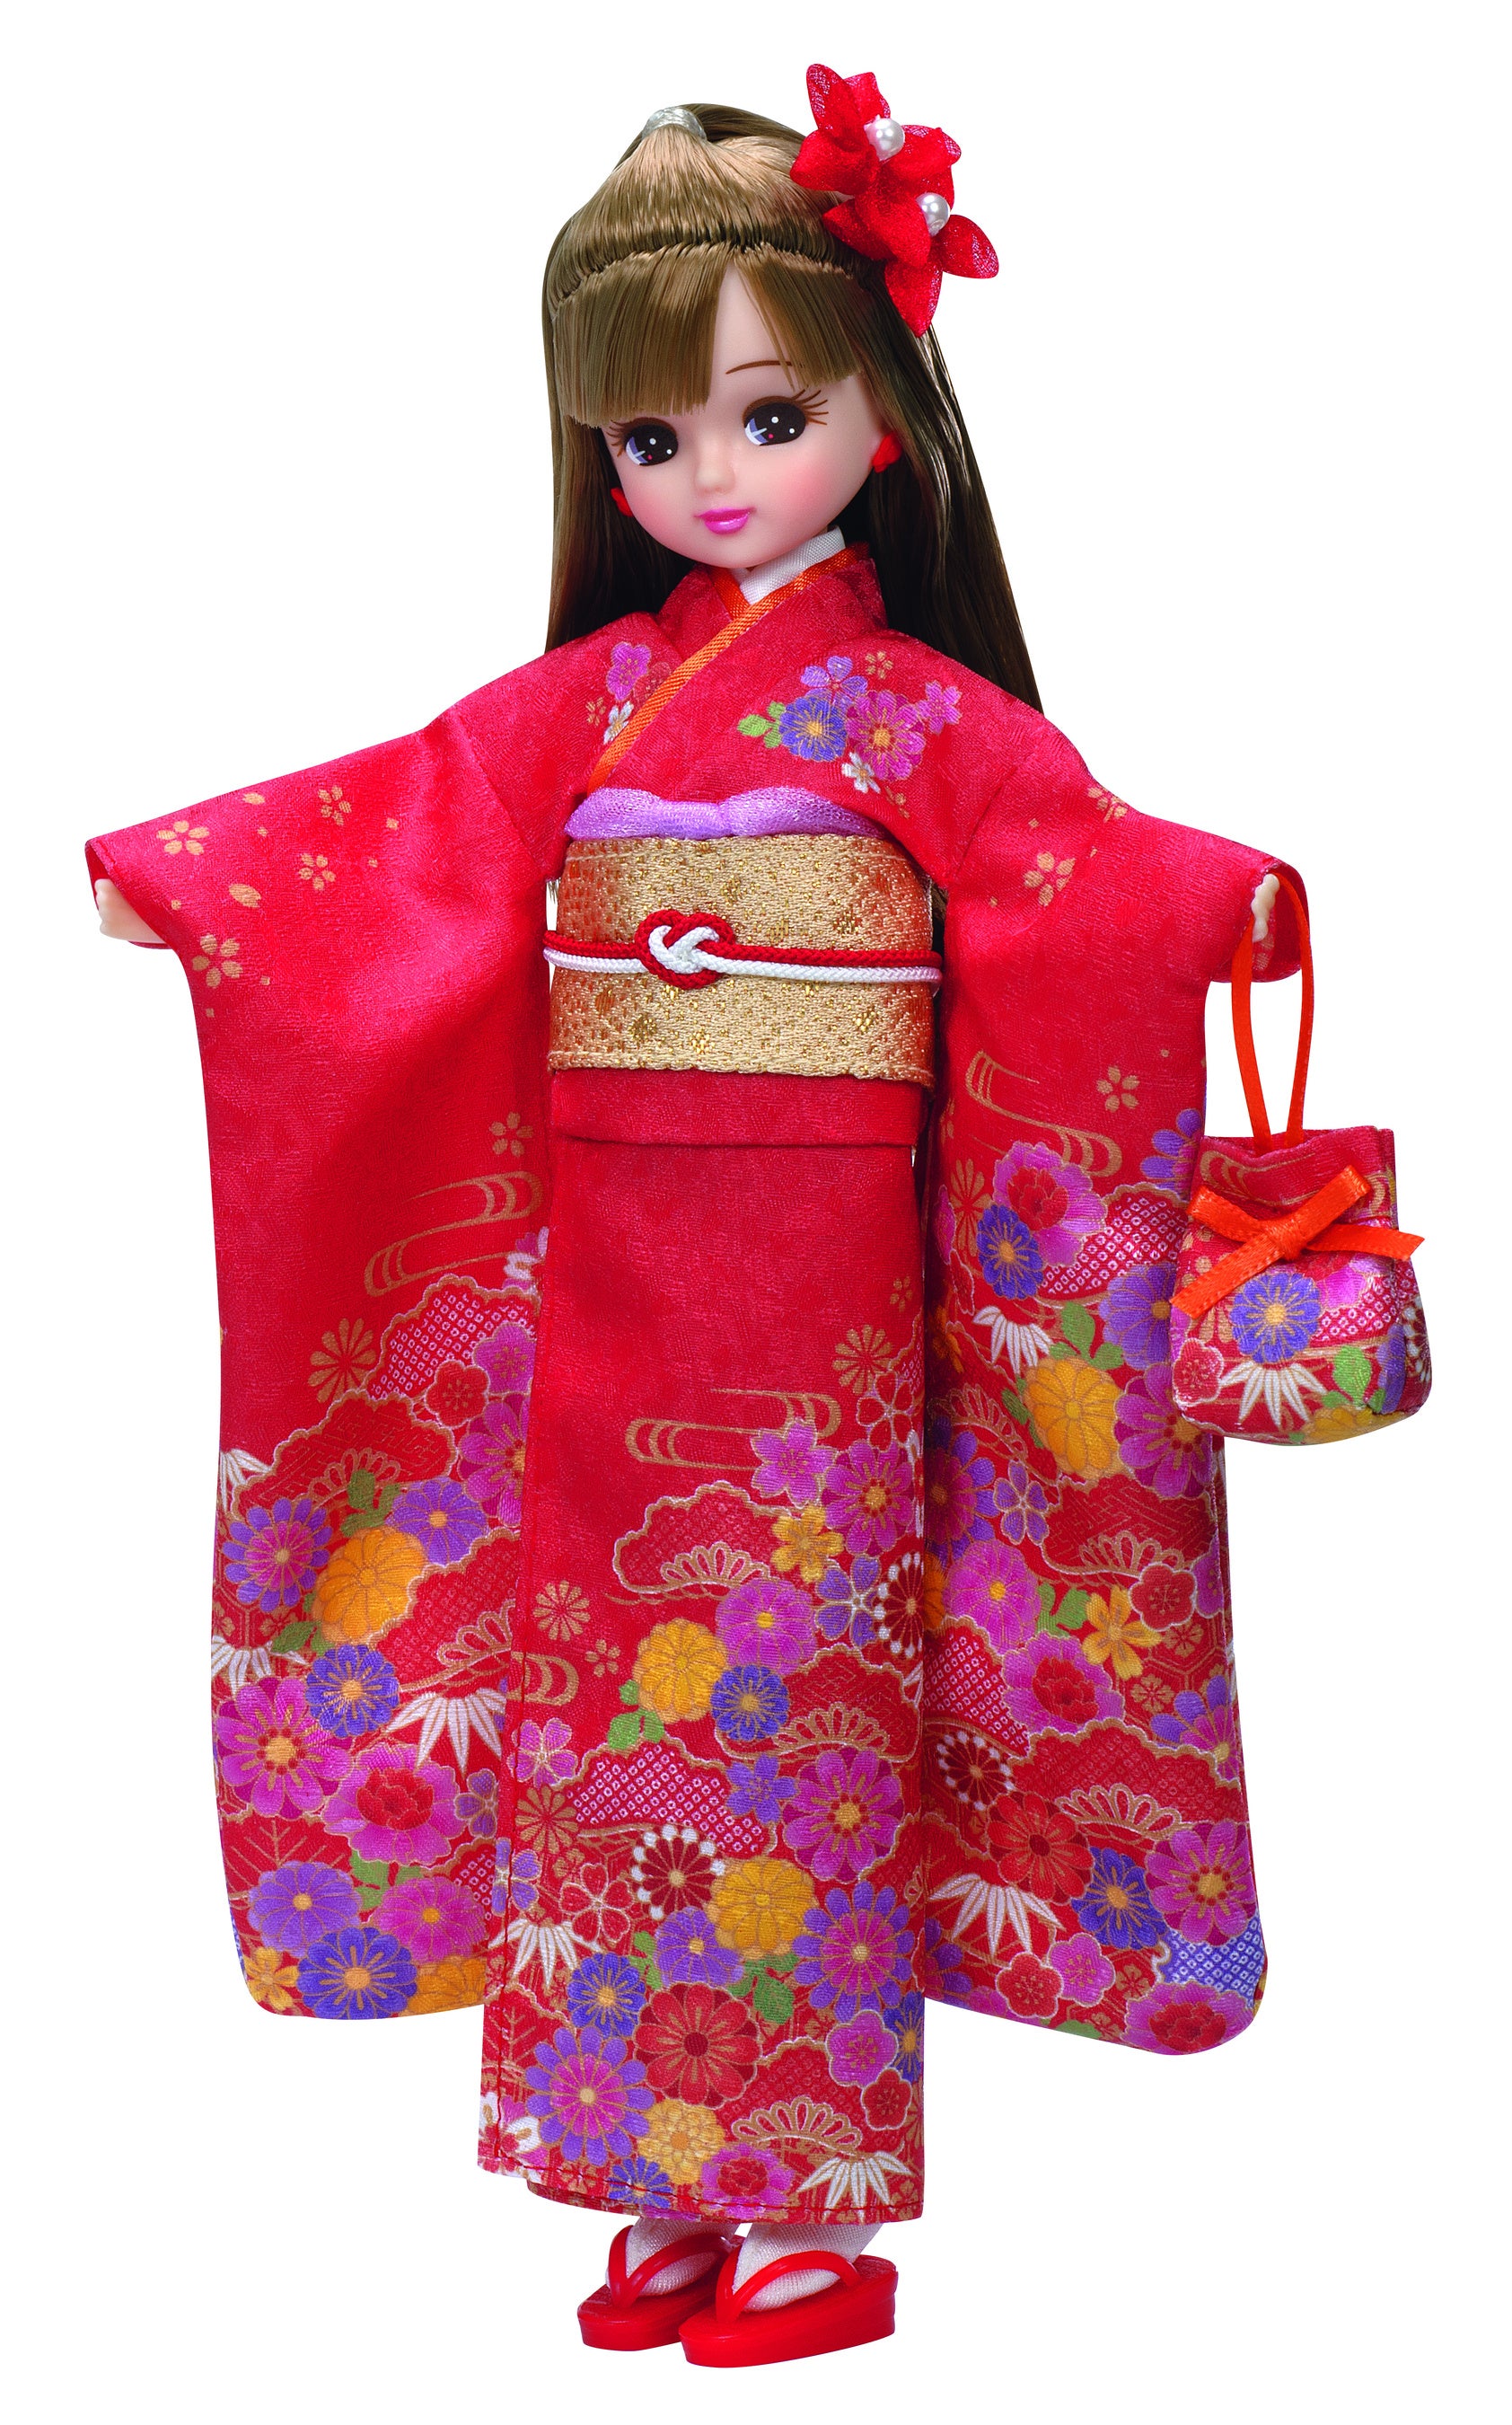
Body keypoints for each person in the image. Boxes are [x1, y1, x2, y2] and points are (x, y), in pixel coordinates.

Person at [91, 71, 1305, 2365]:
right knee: (602, 1706)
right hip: (607, 1304)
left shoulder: (911, 717)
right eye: (653, 439)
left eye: (764, 416)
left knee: (783, 1715)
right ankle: (643, 2174)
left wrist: (1211, 907)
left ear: (884, 414)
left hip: (826, 1323)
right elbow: (392, 837)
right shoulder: (592, 704)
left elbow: (1072, 874)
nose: (710, 478)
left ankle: (813, 2220)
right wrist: (203, 892)